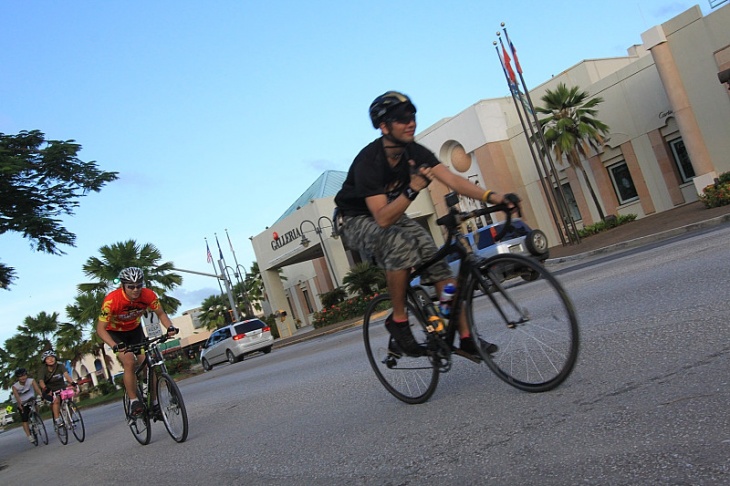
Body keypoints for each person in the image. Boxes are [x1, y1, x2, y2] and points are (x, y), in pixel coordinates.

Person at [334, 91, 516, 358]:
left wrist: (495, 197)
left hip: (392, 212)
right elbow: (383, 218)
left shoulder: (414, 152)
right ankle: (398, 320)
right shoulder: (369, 161)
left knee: (437, 262)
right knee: (398, 244)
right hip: (356, 219)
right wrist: (412, 189)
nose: (410, 122)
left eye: (412, 115)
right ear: (384, 127)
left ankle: (464, 336)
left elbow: (453, 180)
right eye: (401, 119)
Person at [96, 267, 177, 418]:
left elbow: (160, 313)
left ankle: (154, 404)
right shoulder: (112, 300)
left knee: (147, 364)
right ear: (123, 286)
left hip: (134, 331)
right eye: (131, 287)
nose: (135, 290)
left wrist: (170, 327)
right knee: (129, 361)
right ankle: (134, 401)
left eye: (139, 285)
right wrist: (114, 346)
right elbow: (100, 329)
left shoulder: (148, 295)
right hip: (116, 334)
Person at [37, 350, 76, 429]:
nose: (51, 360)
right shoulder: (43, 369)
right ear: (45, 361)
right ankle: (57, 420)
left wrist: (72, 382)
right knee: (56, 400)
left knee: (68, 401)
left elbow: (66, 375)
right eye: (48, 359)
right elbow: (41, 381)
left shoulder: (60, 366)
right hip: (49, 390)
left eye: (52, 357)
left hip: (61, 387)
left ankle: (69, 420)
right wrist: (45, 388)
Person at [11, 367, 43, 443]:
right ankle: (29, 436)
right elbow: (17, 396)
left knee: (35, 404)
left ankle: (36, 417)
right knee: (24, 419)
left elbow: (37, 389)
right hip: (22, 401)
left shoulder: (31, 381)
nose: (23, 378)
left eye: (24, 375)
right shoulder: (15, 386)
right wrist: (20, 404)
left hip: (31, 398)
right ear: (18, 378)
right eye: (20, 376)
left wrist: (41, 396)